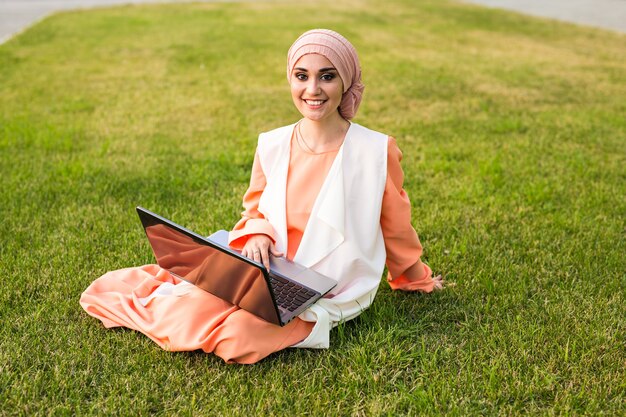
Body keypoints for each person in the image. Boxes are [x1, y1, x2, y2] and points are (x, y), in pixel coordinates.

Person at [80, 29, 443, 364]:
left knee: (239, 338)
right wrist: (256, 234)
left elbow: (396, 227)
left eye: (327, 76)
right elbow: (254, 208)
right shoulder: (271, 143)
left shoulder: (376, 151)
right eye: (302, 76)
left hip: (326, 285)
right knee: (191, 307)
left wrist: (413, 277)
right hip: (271, 266)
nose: (312, 89)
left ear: (345, 81)